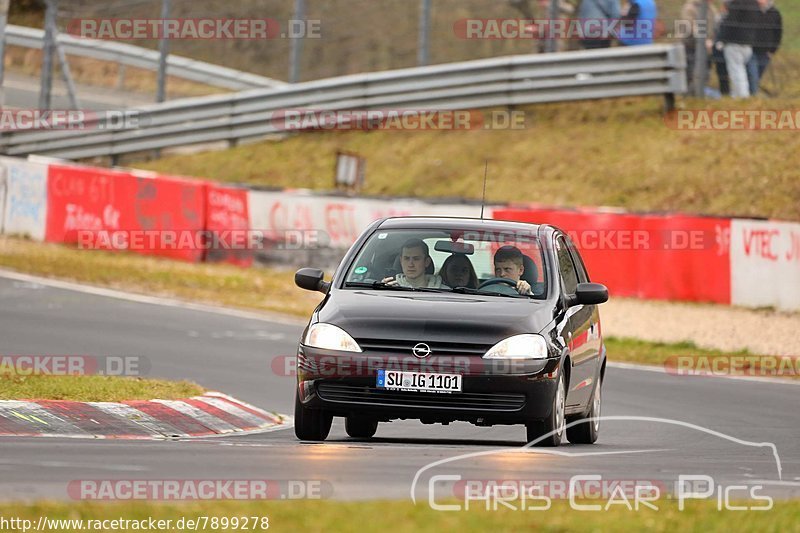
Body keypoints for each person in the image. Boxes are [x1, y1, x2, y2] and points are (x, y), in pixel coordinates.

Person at [717, 0, 761, 98]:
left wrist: (721, 39)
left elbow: (730, 21)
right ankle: (738, 95)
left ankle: (742, 96)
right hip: (748, 43)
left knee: (736, 71)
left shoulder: (737, 3)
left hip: (734, 42)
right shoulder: (754, 4)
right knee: (741, 71)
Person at [681, 0, 721, 93]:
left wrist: (713, 39)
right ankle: (691, 94)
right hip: (691, 46)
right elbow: (691, 26)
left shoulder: (711, 8)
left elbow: (715, 25)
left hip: (707, 47)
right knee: (692, 72)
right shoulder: (690, 7)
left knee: (705, 72)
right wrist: (703, 40)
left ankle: (701, 93)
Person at [747, 0, 782, 95]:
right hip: (751, 51)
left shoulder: (775, 13)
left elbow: (778, 33)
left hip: (765, 53)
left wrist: (772, 51)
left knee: (757, 77)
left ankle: (750, 96)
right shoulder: (751, 10)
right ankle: (752, 98)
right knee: (752, 76)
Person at [382, 239, 446, 289]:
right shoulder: (390, 289)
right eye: (406, 258)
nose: (411, 264)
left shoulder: (446, 293)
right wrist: (381, 290)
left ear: (426, 262)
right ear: (401, 261)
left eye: (416, 259)